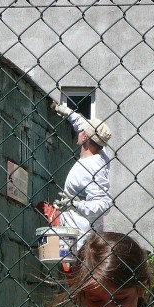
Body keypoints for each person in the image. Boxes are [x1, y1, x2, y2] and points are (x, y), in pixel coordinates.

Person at [49, 103, 112, 248]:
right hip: (75, 234)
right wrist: (66, 111)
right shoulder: (101, 153)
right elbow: (83, 124)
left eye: (82, 132)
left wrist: (76, 205)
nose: (79, 131)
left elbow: (104, 204)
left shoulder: (91, 167)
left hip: (81, 240)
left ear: (84, 137)